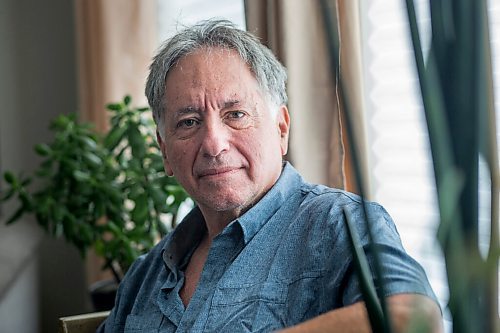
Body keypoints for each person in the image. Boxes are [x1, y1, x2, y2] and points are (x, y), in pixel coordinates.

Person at [98, 19, 442, 332]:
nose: (214, 144)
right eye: (188, 122)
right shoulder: (146, 273)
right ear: (164, 150)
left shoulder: (339, 223)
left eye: (236, 114)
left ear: (281, 128)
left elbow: (413, 317)